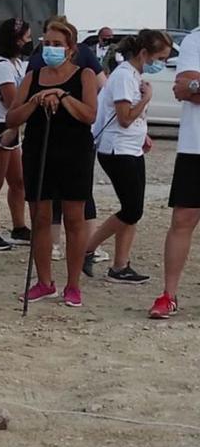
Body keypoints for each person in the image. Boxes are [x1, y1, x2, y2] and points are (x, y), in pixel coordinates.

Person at [6, 15, 98, 307]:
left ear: (71, 48)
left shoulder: (84, 75)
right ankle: (45, 282)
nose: (51, 48)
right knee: (40, 217)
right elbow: (12, 117)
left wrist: (62, 95)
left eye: (58, 44)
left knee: (74, 218)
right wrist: (35, 101)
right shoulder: (33, 76)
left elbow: (89, 115)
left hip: (74, 152)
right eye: (47, 43)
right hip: (38, 150)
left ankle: (74, 284)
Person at [83, 30, 172, 285]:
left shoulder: (134, 75)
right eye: (160, 58)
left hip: (131, 148)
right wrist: (146, 98)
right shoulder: (123, 76)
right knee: (132, 209)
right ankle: (87, 249)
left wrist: (142, 134)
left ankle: (121, 265)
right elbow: (123, 118)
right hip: (116, 150)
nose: (162, 64)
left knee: (133, 208)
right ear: (144, 54)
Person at [150, 30, 200, 318]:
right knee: (182, 219)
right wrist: (191, 85)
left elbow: (190, 87)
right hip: (195, 146)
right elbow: (182, 88)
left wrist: (195, 85)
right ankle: (168, 294)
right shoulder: (195, 39)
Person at [0, 18, 33, 251]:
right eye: (27, 37)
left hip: (11, 127)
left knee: (18, 180)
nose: (29, 41)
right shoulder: (2, 66)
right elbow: (13, 101)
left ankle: (19, 226)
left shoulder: (17, 65)